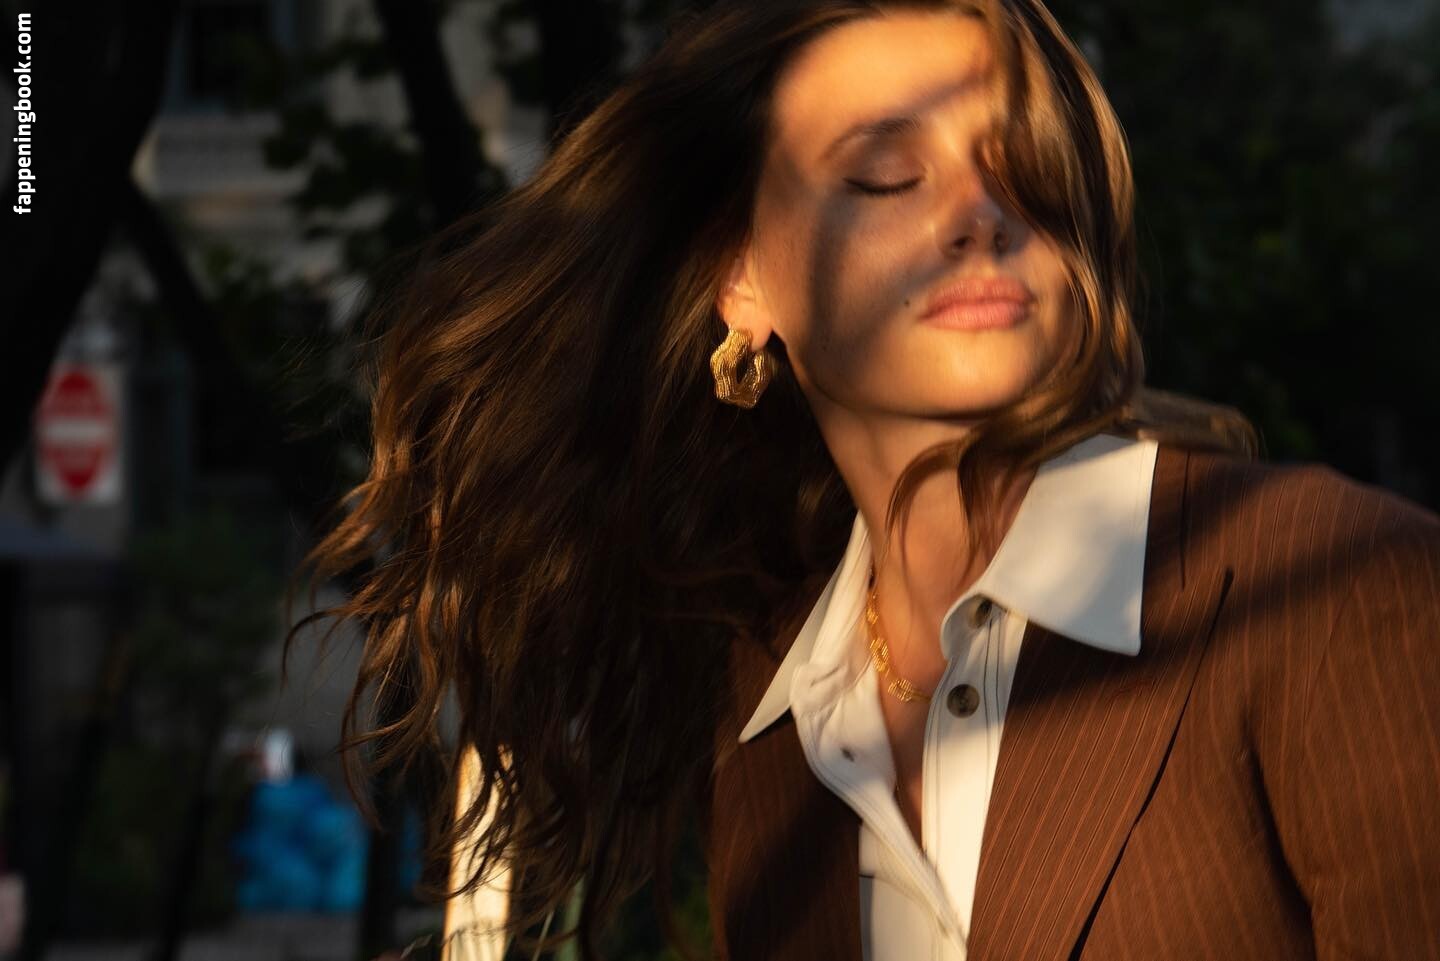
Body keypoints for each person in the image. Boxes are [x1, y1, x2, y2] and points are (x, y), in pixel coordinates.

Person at [290, 1, 1440, 959]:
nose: (979, 216)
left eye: (1022, 165)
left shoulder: (1338, 589)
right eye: (886, 175)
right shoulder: (771, 721)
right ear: (742, 281)